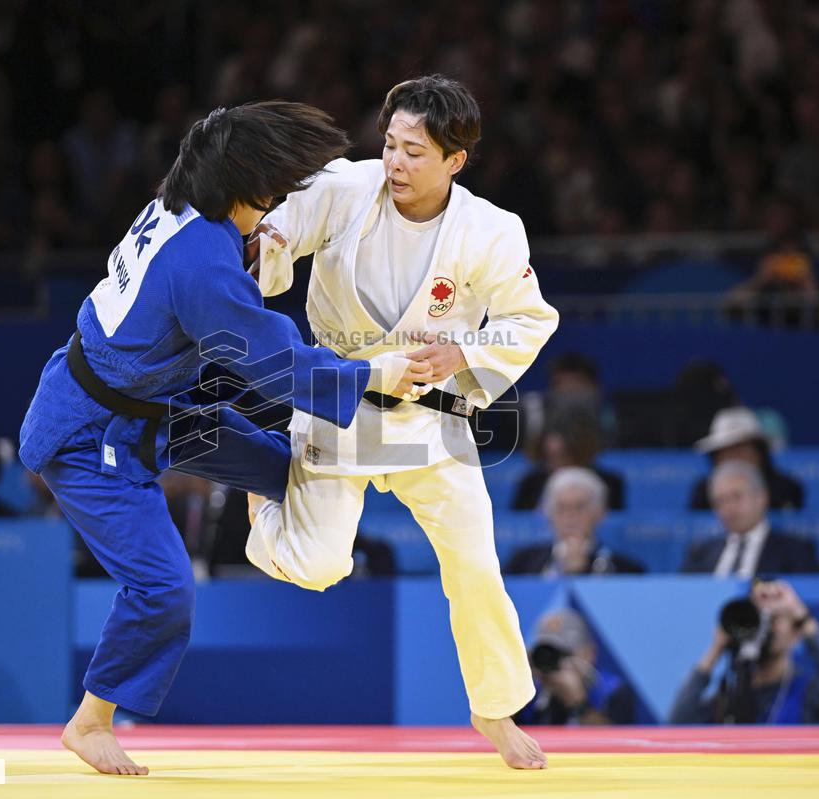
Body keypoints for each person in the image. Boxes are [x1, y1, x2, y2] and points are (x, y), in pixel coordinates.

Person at [18, 101, 427, 777]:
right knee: (164, 588)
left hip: (155, 406)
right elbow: (276, 365)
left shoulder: (181, 202)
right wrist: (374, 374)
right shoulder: (202, 263)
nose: (276, 205)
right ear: (243, 186)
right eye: (272, 193)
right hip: (91, 435)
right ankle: (90, 721)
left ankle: (264, 518)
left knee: (283, 469)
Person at [245, 76, 558, 770]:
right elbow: (275, 240)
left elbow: (530, 318)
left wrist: (464, 352)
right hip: (339, 402)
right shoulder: (342, 187)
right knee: (318, 565)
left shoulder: (491, 229)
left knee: (474, 563)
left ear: (455, 160)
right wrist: (262, 241)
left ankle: (495, 709)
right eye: (390, 144)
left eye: (415, 152)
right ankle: (260, 493)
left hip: (430, 420)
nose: (395, 162)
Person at [669, 579, 819, 723]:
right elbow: (679, 721)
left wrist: (799, 612)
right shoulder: (731, 696)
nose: (765, 628)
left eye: (773, 619)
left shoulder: (807, 692)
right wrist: (717, 647)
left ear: (795, 635)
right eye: (760, 619)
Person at [681, 461, 819, 577]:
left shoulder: (795, 550)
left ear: (761, 497)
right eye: (720, 501)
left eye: (736, 497)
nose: (728, 508)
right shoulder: (700, 553)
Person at [504, 467, 644, 576]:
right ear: (548, 515)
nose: (570, 516)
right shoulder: (520, 563)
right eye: (561, 508)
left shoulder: (627, 570)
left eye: (579, 507)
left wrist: (580, 570)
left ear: (600, 513)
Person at [516, 609, 637, 725]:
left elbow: (616, 737)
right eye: (544, 654)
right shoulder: (530, 690)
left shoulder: (611, 691)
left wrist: (578, 704)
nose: (553, 661)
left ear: (590, 653)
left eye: (564, 653)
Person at [688, 407, 804, 511]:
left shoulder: (786, 489)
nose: (735, 460)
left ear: (759, 453)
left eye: (741, 450)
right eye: (727, 453)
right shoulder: (704, 493)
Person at [512, 408, 626, 511]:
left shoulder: (611, 483)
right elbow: (517, 522)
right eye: (549, 456)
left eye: (564, 456)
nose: (555, 462)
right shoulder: (531, 483)